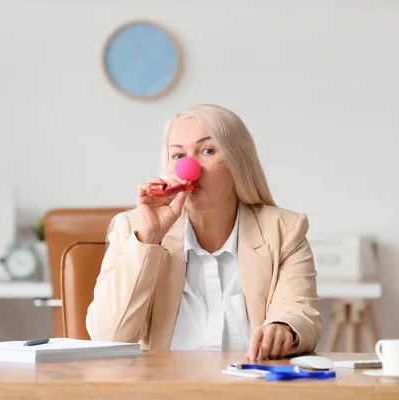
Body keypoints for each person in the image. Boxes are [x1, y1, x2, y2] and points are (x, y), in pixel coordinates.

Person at [86, 104, 323, 360]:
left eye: (207, 150)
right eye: (178, 155)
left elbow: (299, 314)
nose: (189, 167)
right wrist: (149, 239)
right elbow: (108, 336)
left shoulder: (284, 230)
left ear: (238, 161)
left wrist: (283, 328)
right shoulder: (133, 230)